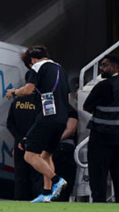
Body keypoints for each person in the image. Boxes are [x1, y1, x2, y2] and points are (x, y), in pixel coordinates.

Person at [5, 45, 70, 203]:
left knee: (29, 155)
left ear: (32, 60)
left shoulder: (37, 66)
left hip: (47, 117)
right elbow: (68, 96)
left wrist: (13, 92)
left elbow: (28, 90)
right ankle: (47, 194)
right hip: (62, 118)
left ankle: (56, 180)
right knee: (46, 155)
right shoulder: (60, 69)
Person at [82, 53, 119, 203]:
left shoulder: (104, 85)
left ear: (115, 67)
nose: (102, 69)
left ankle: (99, 204)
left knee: (98, 175)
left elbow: (87, 106)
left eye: (104, 65)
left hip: (103, 137)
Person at [6, 90, 40, 200]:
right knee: (37, 176)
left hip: (19, 146)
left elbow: (10, 124)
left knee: (20, 178)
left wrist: (20, 139)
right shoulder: (40, 101)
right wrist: (30, 138)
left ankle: (19, 202)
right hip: (36, 145)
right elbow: (43, 123)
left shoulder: (16, 102)